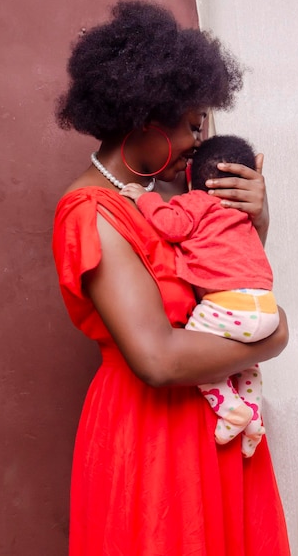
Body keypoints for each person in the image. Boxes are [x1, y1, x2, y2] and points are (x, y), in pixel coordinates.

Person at [52, 0, 290, 555]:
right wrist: (274, 335)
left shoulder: (165, 198)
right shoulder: (93, 211)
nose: (199, 141)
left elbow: (219, 290)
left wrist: (256, 221)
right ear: (144, 117)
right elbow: (158, 359)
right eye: (191, 124)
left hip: (214, 424)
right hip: (149, 437)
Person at [120, 134, 280, 457]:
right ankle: (253, 417)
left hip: (231, 306)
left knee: (196, 351)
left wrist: (143, 199)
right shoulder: (240, 217)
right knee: (246, 364)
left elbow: (171, 225)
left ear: (192, 177)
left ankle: (232, 409)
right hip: (266, 308)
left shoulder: (196, 202)